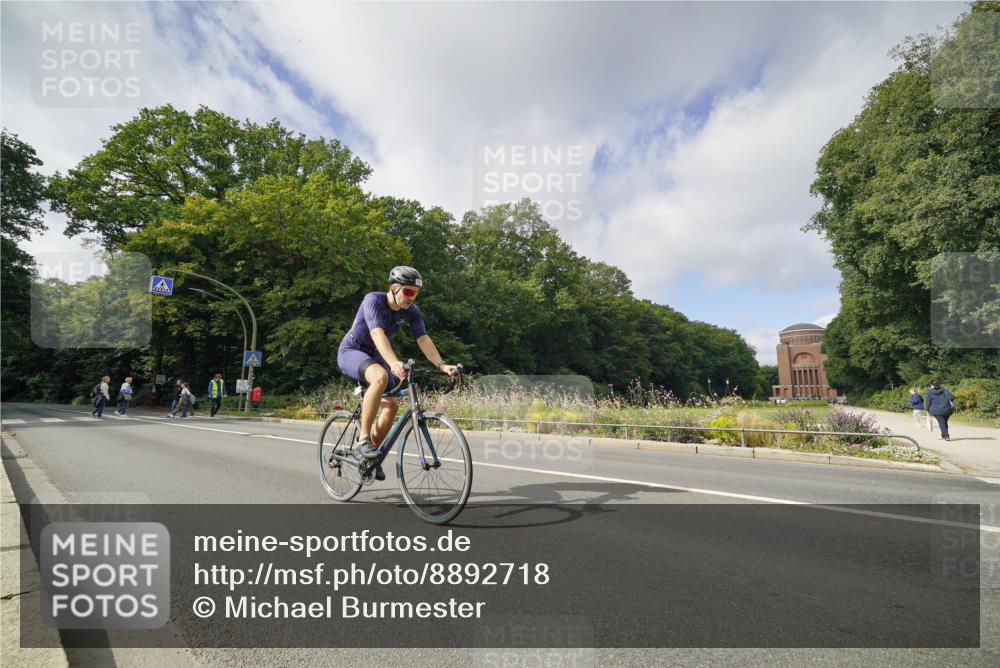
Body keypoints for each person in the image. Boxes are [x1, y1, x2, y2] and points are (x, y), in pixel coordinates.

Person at [337, 266, 459, 481]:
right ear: (394, 288)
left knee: (392, 404)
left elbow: (423, 339)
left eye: (416, 293)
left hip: (376, 355)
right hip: (353, 351)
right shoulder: (373, 301)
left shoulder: (412, 312)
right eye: (409, 292)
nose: (413, 297)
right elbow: (377, 334)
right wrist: (393, 363)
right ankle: (363, 439)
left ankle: (369, 457)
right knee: (380, 377)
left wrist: (441, 365)